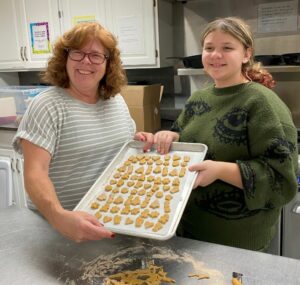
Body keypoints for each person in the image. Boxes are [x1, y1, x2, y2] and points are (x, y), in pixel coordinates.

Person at [151, 17, 298, 251]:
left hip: (236, 241)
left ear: (246, 54)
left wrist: (220, 170)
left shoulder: (262, 104)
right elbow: (182, 135)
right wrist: (170, 138)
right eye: (209, 48)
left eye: (227, 48)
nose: (215, 55)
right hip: (187, 227)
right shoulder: (201, 97)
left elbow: (282, 181)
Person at [12, 22, 151, 242]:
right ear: (64, 58)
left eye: (96, 55)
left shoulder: (116, 101)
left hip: (110, 220)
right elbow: (34, 173)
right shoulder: (47, 106)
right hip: (59, 228)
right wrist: (59, 217)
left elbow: (120, 145)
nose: (86, 61)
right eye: (78, 53)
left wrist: (139, 140)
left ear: (108, 64)